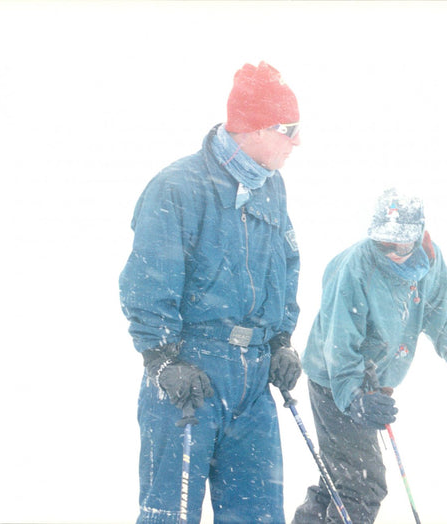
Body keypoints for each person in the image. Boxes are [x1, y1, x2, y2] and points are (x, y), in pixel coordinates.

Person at [119, 61, 303, 524]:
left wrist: (281, 340)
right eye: (289, 129)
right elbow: (148, 278)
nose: (298, 141)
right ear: (255, 129)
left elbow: (287, 265)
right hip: (191, 375)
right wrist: (162, 360)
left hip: (254, 378)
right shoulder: (178, 188)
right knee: (171, 515)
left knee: (257, 514)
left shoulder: (271, 188)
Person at [292, 188, 447, 524]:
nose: (392, 252)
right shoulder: (357, 267)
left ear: (418, 236)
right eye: (383, 242)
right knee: (363, 484)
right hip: (335, 381)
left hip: (374, 382)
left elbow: (443, 318)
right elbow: (340, 343)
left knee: (340, 477)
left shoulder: (431, 262)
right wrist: (355, 396)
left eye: (400, 243)